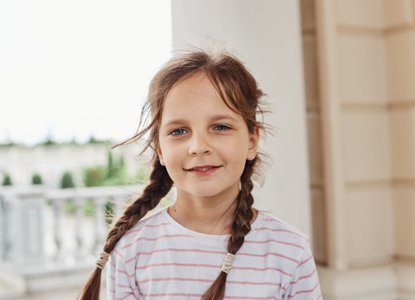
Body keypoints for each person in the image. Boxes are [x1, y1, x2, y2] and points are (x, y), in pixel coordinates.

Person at [79, 50, 322, 300]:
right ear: (160, 150)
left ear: (251, 141)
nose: (198, 146)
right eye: (179, 131)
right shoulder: (132, 250)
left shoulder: (290, 251)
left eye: (220, 127)